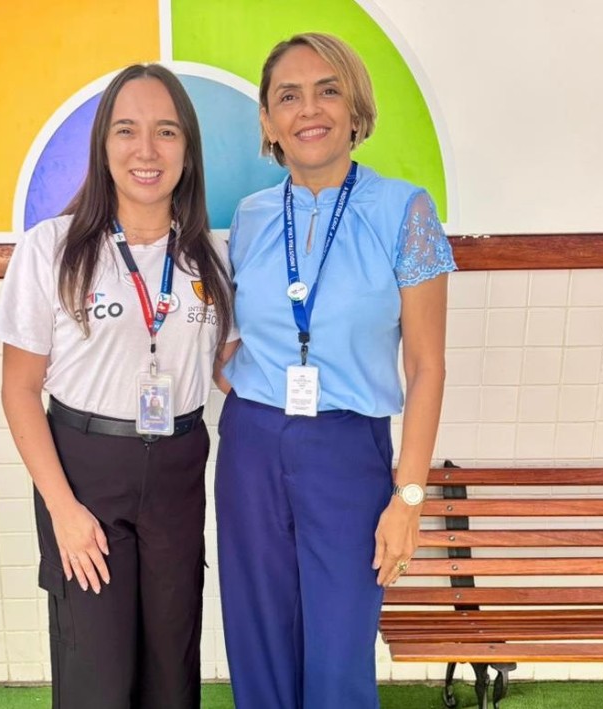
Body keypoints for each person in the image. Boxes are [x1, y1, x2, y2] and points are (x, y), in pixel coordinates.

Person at [214, 33, 456, 708]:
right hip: (252, 444)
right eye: (288, 96)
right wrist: (237, 369)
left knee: (338, 649)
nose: (308, 109)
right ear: (269, 122)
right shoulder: (252, 218)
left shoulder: (405, 211)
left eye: (327, 90)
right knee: (258, 637)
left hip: (348, 449)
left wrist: (409, 498)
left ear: (355, 109)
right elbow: (236, 334)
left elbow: (427, 364)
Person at [0, 63, 236, 709]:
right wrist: (63, 510)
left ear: (188, 150)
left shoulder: (212, 255)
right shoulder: (52, 247)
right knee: (96, 671)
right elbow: (20, 390)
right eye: (127, 130)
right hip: (85, 473)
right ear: (103, 145)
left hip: (178, 467)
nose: (146, 150)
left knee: (171, 666)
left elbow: (230, 370)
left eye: (166, 131)